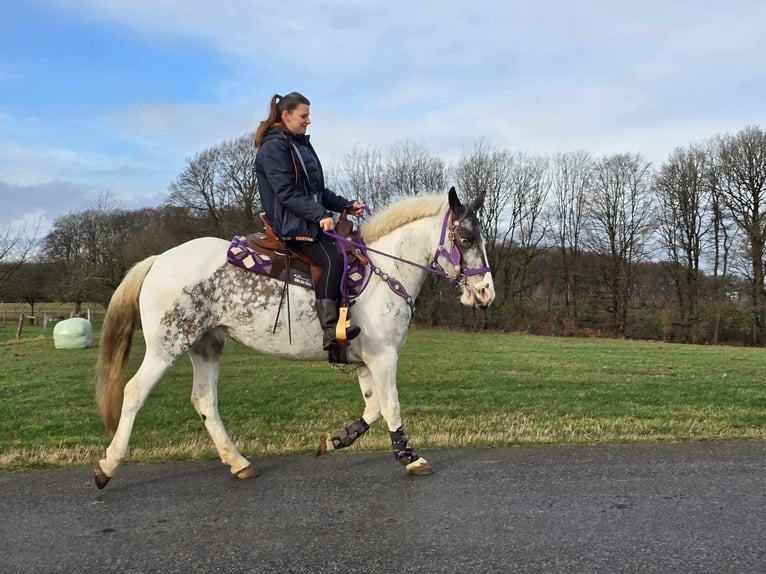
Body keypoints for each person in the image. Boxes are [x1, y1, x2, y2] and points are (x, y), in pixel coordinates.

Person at [254, 92, 363, 351]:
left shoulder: (299, 145)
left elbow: (318, 192)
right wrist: (320, 216)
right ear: (286, 116)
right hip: (292, 224)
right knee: (333, 258)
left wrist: (345, 205)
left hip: (306, 220)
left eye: (308, 116)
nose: (308, 121)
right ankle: (331, 330)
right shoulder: (274, 147)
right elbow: (286, 193)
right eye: (304, 116)